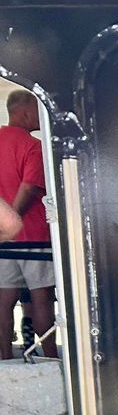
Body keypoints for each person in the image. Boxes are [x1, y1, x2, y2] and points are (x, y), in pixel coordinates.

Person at [0, 90, 54, 360]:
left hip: (2, 242)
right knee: (41, 298)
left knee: (4, 301)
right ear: (25, 112)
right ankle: (52, 356)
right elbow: (30, 187)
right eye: (37, 110)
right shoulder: (32, 146)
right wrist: (12, 218)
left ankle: (5, 357)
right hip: (32, 236)